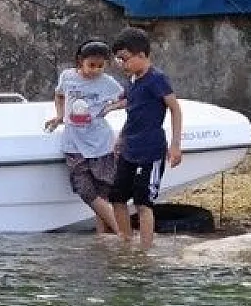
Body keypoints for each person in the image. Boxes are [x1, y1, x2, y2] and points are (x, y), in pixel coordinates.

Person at [107, 27, 181, 249]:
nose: (122, 64)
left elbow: (175, 109)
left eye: (125, 59)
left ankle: (145, 250)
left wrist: (176, 146)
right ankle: (126, 242)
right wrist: (120, 137)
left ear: (141, 55)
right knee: (117, 197)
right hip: (130, 148)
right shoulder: (133, 80)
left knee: (143, 202)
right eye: (119, 60)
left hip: (150, 150)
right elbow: (133, 108)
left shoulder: (157, 79)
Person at [45, 39, 126, 234]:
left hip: (100, 142)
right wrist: (60, 115)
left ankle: (103, 237)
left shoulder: (108, 82)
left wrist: (109, 107)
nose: (96, 70)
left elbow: (127, 98)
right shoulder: (68, 77)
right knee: (85, 190)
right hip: (74, 144)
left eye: (101, 66)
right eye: (91, 65)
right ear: (80, 61)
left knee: (102, 191)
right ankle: (123, 232)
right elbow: (59, 95)